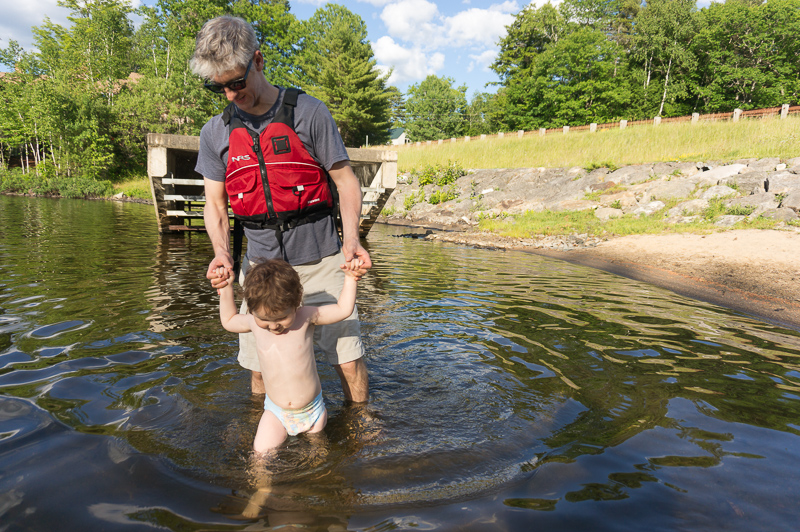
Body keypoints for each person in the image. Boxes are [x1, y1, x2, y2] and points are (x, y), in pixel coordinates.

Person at [190, 16, 370, 403]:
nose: (230, 96)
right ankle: (263, 433)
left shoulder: (309, 112)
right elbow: (216, 205)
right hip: (259, 266)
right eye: (217, 87)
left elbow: (346, 182)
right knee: (259, 367)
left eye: (236, 82)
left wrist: (351, 241)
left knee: (348, 359)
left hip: (321, 258)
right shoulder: (214, 132)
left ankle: (364, 434)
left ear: (258, 60)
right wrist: (222, 254)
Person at [218, 259, 362, 452]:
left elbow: (342, 310)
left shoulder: (305, 317)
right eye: (265, 319)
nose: (274, 326)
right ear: (252, 310)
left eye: (281, 318)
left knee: (318, 454)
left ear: (296, 302)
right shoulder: (253, 322)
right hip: (276, 412)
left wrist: (351, 279)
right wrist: (226, 287)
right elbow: (228, 320)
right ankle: (262, 483)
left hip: (312, 411)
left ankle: (318, 479)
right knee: (260, 454)